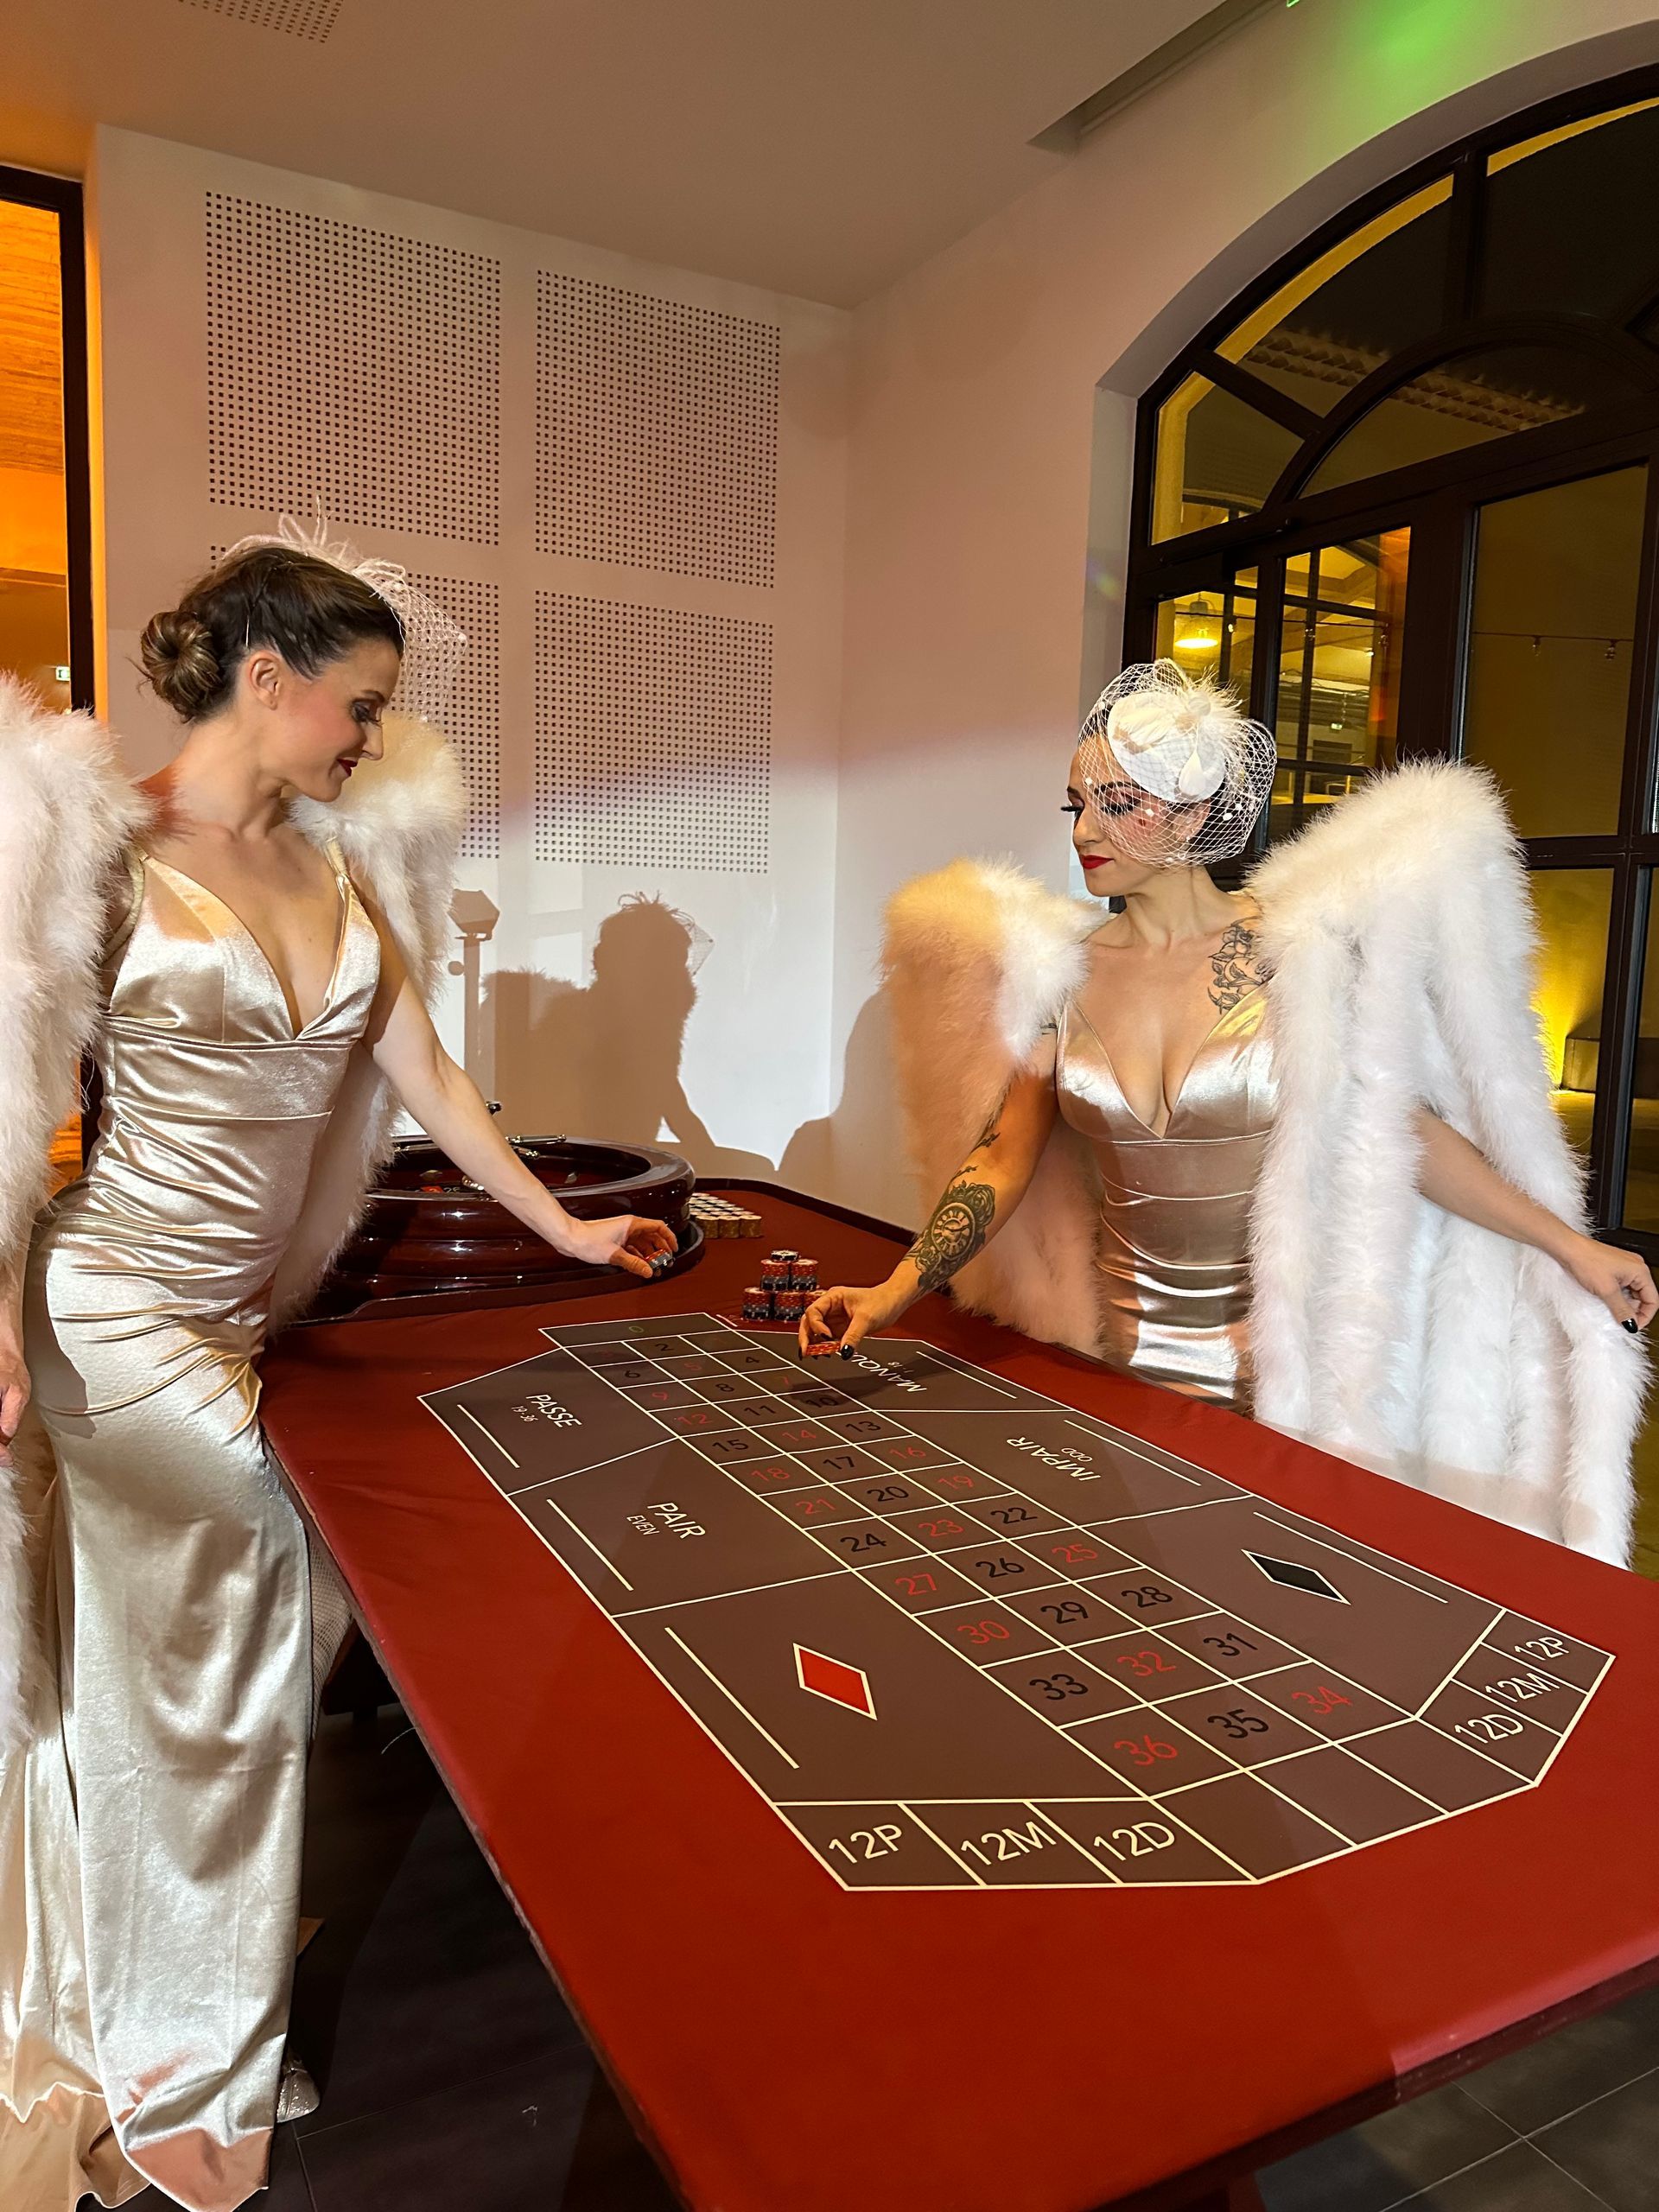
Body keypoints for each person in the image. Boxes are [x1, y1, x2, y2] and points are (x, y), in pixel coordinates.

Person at [0, 527, 675, 2212]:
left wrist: (564, 1227)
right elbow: (6, 1095)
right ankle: (176, 2057)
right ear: (268, 675)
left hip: (237, 1322)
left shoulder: (331, 868)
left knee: (217, 1667)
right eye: (360, 707)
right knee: (250, 1611)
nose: (374, 739)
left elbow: (423, 1062)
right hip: (111, 1308)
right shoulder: (102, 849)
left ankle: (160, 1977)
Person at [801, 660, 1652, 1564]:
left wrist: (1569, 1243)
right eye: (1075, 805)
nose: (1085, 830)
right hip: (1112, 1367)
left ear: (1195, 812)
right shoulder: (1065, 975)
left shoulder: (1298, 959)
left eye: (1117, 802)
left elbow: (1398, 1134)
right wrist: (895, 1289)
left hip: (1276, 1382)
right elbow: (1002, 1155)